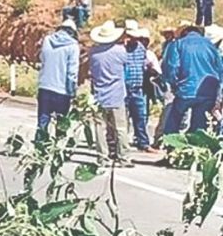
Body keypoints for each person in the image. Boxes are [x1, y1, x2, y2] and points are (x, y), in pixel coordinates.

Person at [162, 21, 223, 137]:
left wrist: (175, 86)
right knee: (199, 128)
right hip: (208, 92)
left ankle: (171, 148)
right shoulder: (211, 46)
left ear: (184, 32)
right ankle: (194, 150)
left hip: (186, 90)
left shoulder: (178, 44)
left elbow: (172, 68)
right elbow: (220, 70)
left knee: (173, 122)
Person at [88, 21, 132, 167]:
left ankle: (102, 157)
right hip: (117, 94)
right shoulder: (120, 51)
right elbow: (128, 63)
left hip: (99, 94)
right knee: (120, 128)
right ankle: (123, 157)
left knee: (100, 128)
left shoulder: (93, 52)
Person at [35, 19, 80, 144]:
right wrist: (72, 92)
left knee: (43, 119)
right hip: (62, 90)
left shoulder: (47, 40)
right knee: (61, 123)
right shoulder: (73, 46)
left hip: (45, 86)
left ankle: (40, 147)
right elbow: (72, 72)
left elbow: (42, 59)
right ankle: (57, 148)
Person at [123, 24, 156, 153]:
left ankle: (143, 143)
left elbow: (143, 64)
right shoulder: (122, 49)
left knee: (140, 116)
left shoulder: (140, 48)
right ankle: (119, 143)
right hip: (124, 87)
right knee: (122, 118)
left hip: (137, 87)